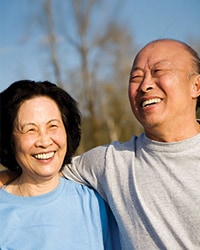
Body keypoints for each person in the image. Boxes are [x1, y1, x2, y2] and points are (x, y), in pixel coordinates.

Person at [1, 38, 200, 249]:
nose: (145, 85)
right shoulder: (109, 162)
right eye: (136, 76)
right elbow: (44, 168)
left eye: (159, 71)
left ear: (196, 85)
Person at [0, 80, 120, 250]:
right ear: (9, 139)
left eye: (53, 126)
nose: (44, 141)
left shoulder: (95, 203)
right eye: (30, 129)